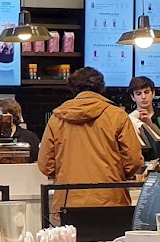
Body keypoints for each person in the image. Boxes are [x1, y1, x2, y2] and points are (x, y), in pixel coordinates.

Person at [37, 67, 143, 209]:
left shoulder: (57, 118)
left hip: (68, 201)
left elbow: (46, 164)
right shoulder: (117, 115)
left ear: (72, 88)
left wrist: (65, 174)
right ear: (101, 87)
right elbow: (133, 160)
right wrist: (116, 173)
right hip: (111, 199)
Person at [127, 76, 160, 145]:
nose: (143, 97)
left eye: (146, 92)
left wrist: (150, 126)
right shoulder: (127, 117)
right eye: (138, 94)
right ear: (133, 97)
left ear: (153, 93)